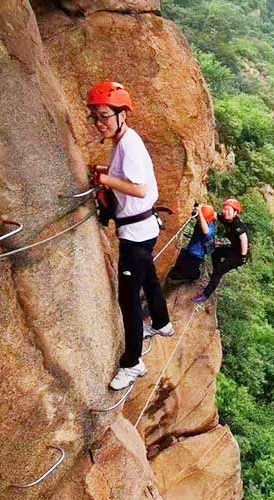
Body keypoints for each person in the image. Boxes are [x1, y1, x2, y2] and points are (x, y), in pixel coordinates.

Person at [86, 81, 173, 390]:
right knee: (148, 276)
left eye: (105, 116)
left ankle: (132, 362)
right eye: (95, 117)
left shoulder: (130, 145)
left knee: (128, 299)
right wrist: (102, 171)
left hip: (135, 234)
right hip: (144, 229)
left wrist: (105, 178)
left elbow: (139, 188)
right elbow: (126, 178)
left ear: (122, 114)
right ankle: (163, 323)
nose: (100, 123)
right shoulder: (124, 140)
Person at [191, 198, 250, 304]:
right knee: (215, 252)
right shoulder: (226, 218)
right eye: (225, 209)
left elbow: (244, 239)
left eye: (229, 210)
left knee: (219, 272)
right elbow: (212, 214)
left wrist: (243, 256)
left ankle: (205, 295)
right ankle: (216, 272)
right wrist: (200, 208)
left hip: (239, 256)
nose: (226, 212)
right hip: (233, 249)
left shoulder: (238, 225)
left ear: (235, 213)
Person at [167, 204, 217, 283]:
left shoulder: (209, 231)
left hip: (195, 256)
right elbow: (213, 214)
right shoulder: (209, 222)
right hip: (191, 252)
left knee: (173, 277)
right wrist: (199, 207)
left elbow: (205, 231)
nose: (198, 219)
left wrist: (200, 212)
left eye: (199, 218)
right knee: (180, 260)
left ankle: (194, 275)